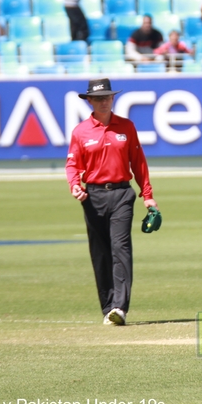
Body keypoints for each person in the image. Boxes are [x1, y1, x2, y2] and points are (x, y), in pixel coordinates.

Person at [66, 78, 158, 326]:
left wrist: (147, 195)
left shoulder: (126, 127)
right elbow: (73, 164)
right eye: (98, 98)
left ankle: (120, 307)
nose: (103, 101)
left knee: (121, 249)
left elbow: (138, 161)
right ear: (90, 102)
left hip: (121, 195)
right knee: (101, 254)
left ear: (113, 99)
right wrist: (75, 185)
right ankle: (108, 308)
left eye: (107, 97)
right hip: (93, 197)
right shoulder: (80, 132)